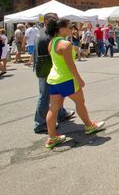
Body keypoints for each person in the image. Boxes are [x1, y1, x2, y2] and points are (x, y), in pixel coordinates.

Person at [45, 17, 105, 149]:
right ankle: (89, 126)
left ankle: (52, 137)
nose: (72, 29)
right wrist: (79, 79)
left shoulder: (52, 43)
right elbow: (70, 65)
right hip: (66, 79)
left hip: (53, 79)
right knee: (80, 102)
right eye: (69, 27)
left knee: (53, 109)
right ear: (61, 29)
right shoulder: (65, 44)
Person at [34, 13, 75, 134]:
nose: (57, 21)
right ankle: (40, 123)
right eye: (54, 19)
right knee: (45, 96)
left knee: (57, 93)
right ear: (47, 21)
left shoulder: (42, 31)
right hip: (47, 69)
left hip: (44, 67)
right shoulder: (49, 35)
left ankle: (61, 114)